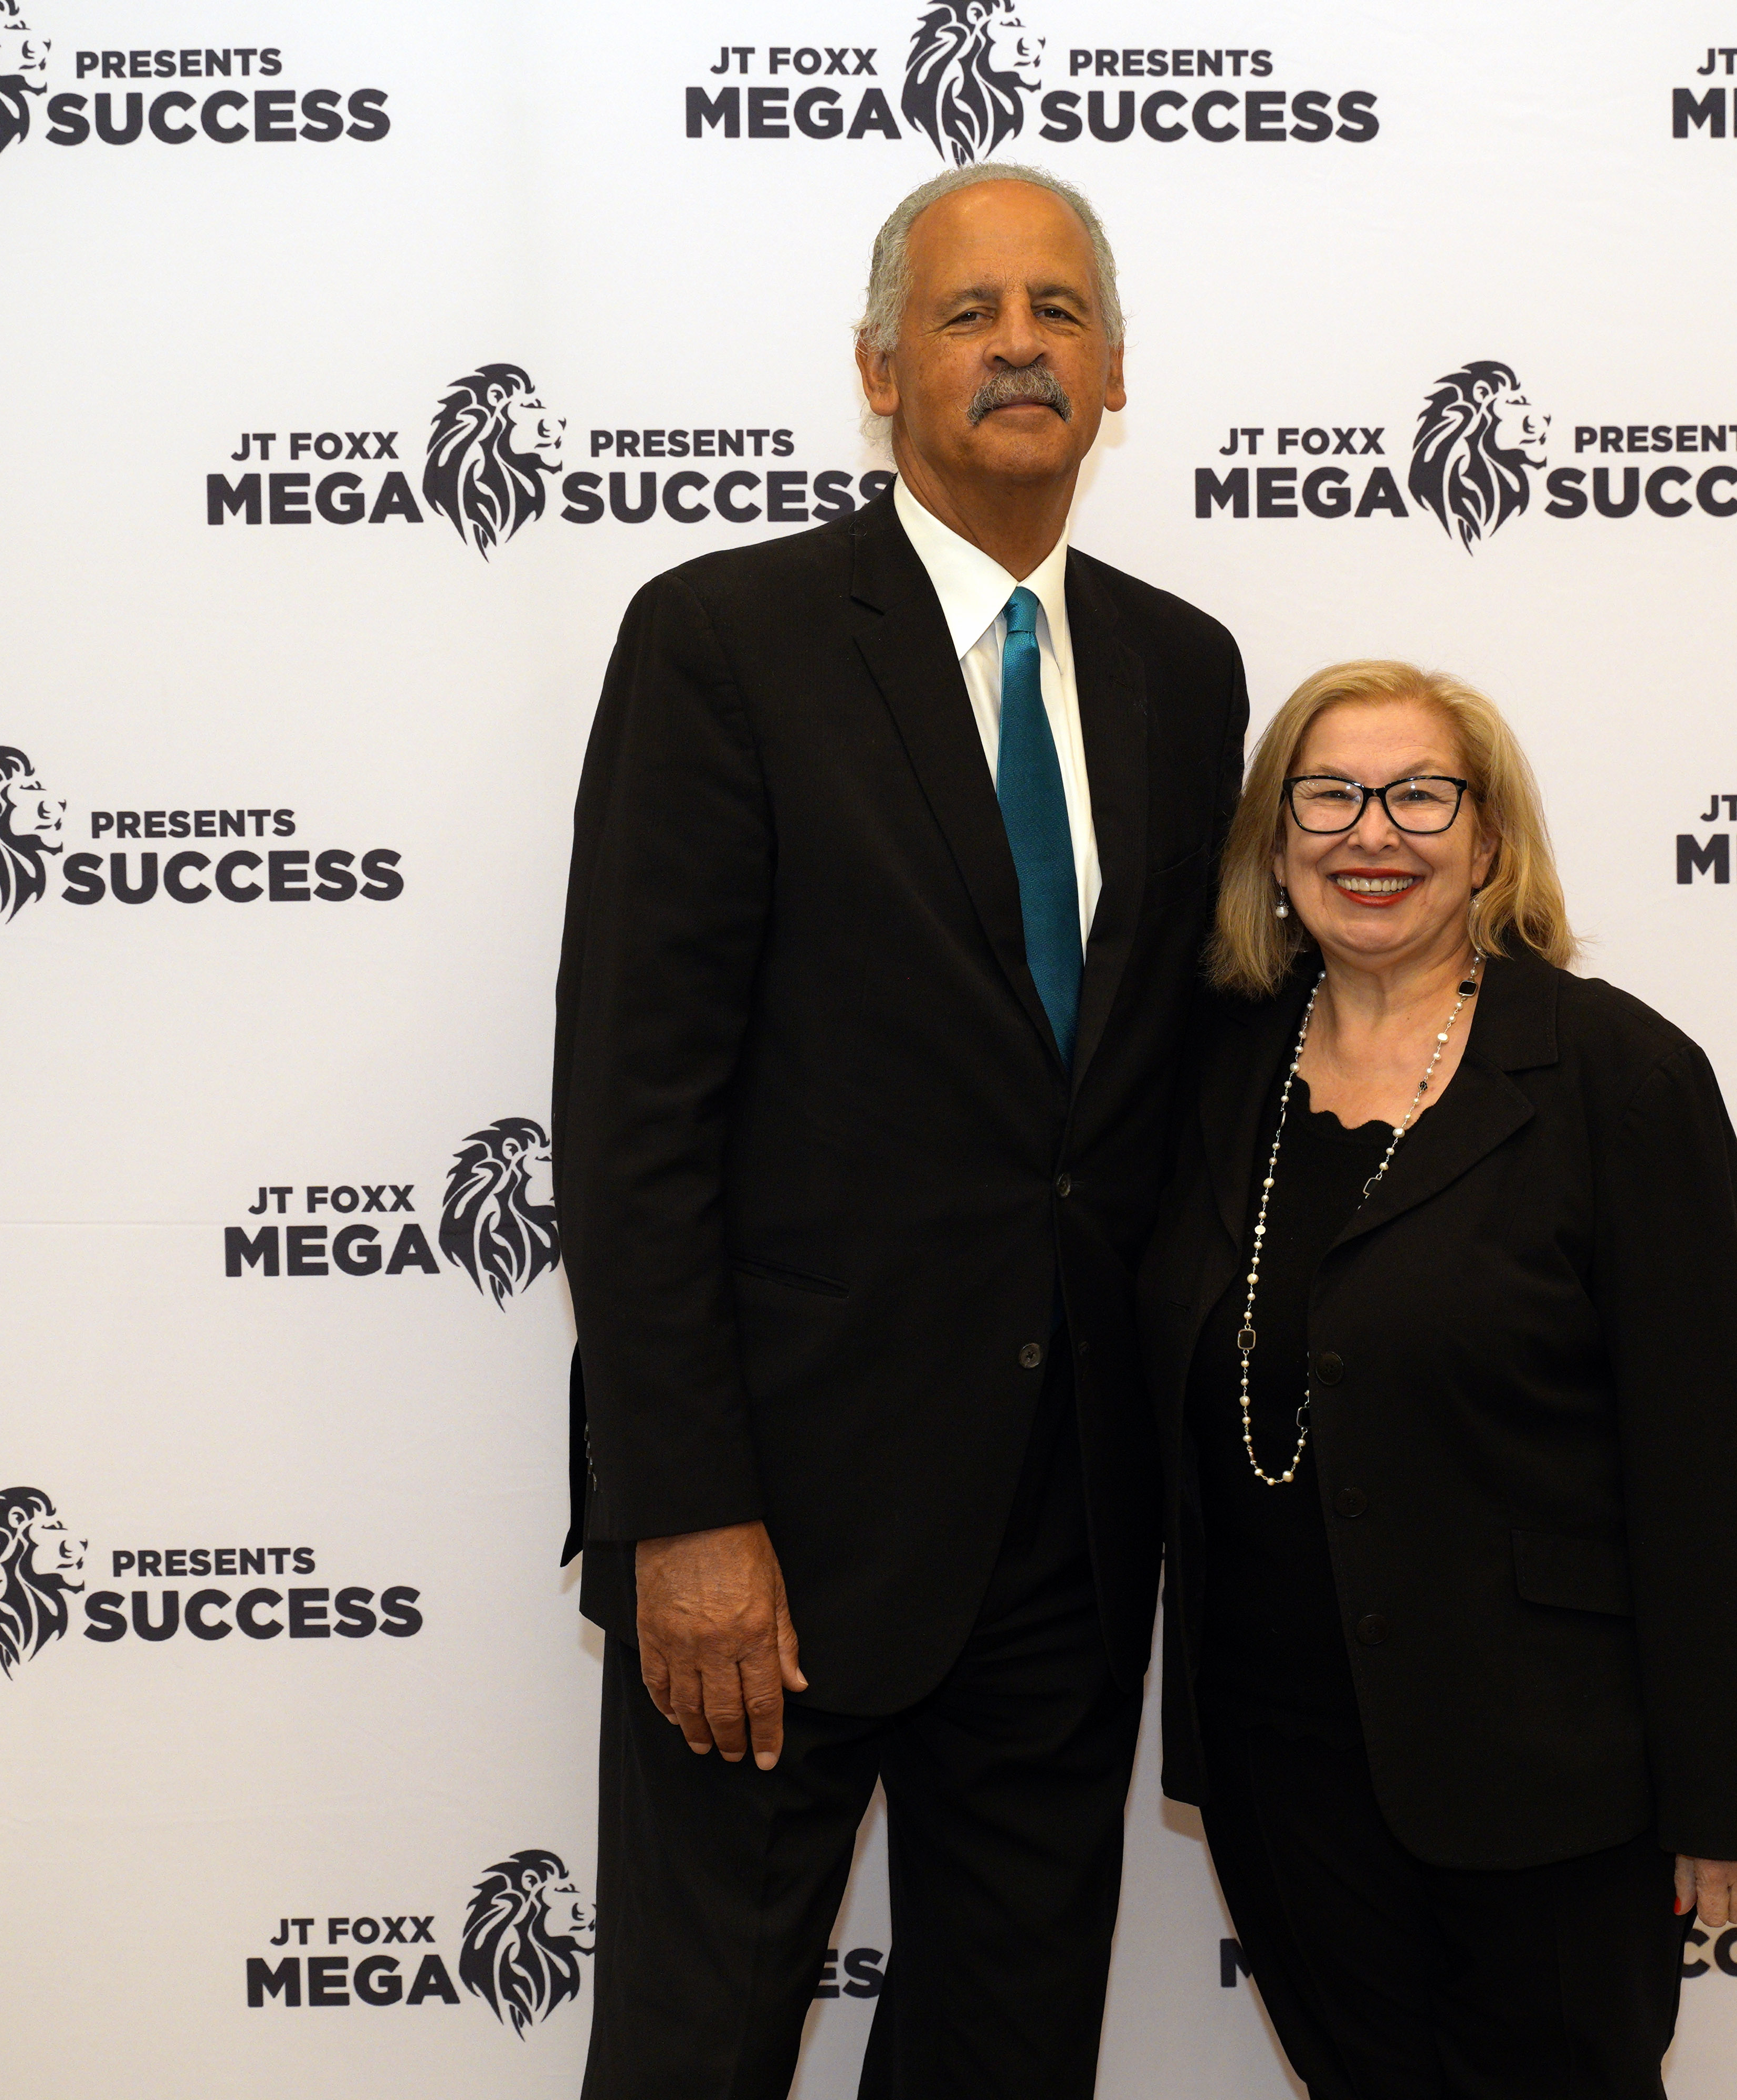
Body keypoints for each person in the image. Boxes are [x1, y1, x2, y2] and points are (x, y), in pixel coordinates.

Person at [553, 162, 1248, 2100]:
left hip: (1069, 1536)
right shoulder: (726, 639)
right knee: (695, 2055)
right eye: (967, 314)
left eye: (1058, 312)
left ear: (1117, 373)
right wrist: (685, 1510)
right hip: (773, 1537)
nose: (1019, 347)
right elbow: (634, 1109)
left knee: (1005, 2057)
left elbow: (1160, 1092)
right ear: (878, 371)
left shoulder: (1183, 671)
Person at [1137, 661, 1737, 2099]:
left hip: (1548, 1772)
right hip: (1280, 1766)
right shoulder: (1212, 1072)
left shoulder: (1615, 1076)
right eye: (1328, 797)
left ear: (1491, 840)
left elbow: (1717, 1462)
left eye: (1420, 797)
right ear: (1273, 842)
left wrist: (1734, 1788)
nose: (1370, 834)